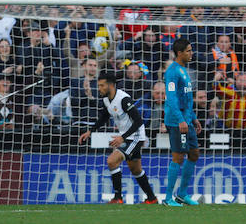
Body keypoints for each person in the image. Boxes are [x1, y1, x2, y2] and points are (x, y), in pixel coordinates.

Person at [78, 72, 158, 204]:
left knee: (112, 161)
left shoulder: (123, 99)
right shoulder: (105, 99)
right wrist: (90, 131)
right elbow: (104, 117)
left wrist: (122, 138)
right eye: (98, 85)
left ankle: (117, 198)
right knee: (136, 169)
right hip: (127, 137)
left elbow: (138, 121)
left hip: (136, 136)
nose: (99, 88)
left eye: (102, 85)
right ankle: (152, 198)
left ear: (111, 85)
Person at [162, 38, 202, 206]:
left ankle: (182, 194)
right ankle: (168, 198)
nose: (191, 53)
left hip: (187, 119)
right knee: (178, 156)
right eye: (188, 51)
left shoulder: (184, 70)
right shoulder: (172, 72)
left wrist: (193, 118)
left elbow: (186, 98)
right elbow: (171, 98)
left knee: (194, 154)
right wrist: (180, 120)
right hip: (177, 121)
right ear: (179, 53)